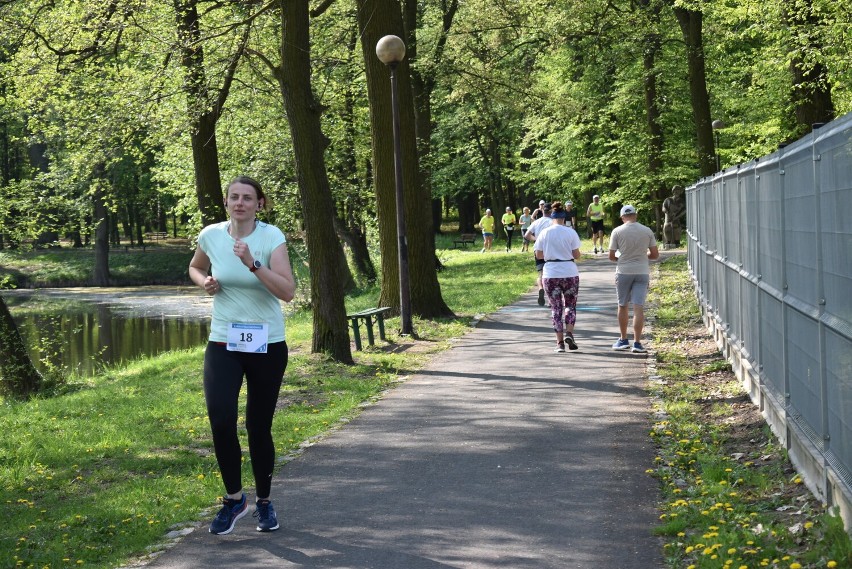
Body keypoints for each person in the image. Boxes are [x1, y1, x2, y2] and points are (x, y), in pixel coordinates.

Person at [188, 176, 296, 535]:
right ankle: (235, 499)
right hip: (223, 342)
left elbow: (288, 292)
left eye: (248, 198)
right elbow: (196, 266)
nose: (240, 203)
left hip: (266, 344)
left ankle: (264, 502)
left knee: (258, 426)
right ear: (226, 201)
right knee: (220, 420)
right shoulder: (211, 235)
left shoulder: (271, 237)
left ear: (259, 204)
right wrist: (203, 281)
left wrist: (253, 263)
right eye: (234, 197)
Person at [608, 204, 659, 354]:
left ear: (622, 217)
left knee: (622, 305)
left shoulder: (617, 231)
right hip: (642, 272)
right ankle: (637, 343)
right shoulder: (647, 231)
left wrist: (624, 258)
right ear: (635, 215)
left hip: (623, 271)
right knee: (638, 307)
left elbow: (611, 256)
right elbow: (655, 255)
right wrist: (643, 257)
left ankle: (623, 339)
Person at [534, 201, 582, 352]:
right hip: (569, 272)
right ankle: (569, 333)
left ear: (552, 217)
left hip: (550, 273)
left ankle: (559, 344)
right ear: (563, 217)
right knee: (570, 305)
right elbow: (576, 255)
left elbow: (539, 254)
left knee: (556, 308)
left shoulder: (544, 233)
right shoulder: (570, 232)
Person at [523, 202, 553, 306]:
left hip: (537, 249)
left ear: (542, 211)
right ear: (551, 211)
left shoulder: (537, 222)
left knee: (540, 273)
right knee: (550, 275)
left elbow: (526, 235)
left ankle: (540, 288)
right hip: (550, 250)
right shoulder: (552, 222)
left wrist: (536, 239)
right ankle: (550, 299)